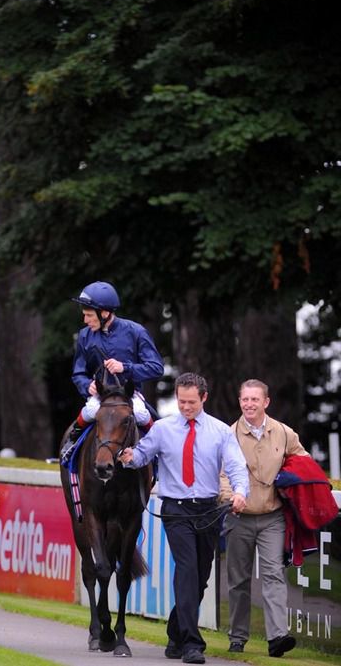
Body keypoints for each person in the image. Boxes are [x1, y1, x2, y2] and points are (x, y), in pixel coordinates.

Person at [119, 372, 248, 665]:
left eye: (191, 402)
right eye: (181, 402)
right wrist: (129, 458)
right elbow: (142, 455)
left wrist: (240, 492)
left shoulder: (219, 431)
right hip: (175, 509)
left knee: (200, 577)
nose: (186, 407)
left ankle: (176, 633)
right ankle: (192, 643)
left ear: (204, 398)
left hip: (208, 510)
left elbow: (237, 466)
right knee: (188, 569)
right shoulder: (163, 429)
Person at [220, 379, 307, 658]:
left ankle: (277, 637)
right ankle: (237, 637)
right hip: (238, 517)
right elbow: (221, 473)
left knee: (273, 575)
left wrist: (297, 481)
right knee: (238, 580)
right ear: (239, 401)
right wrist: (230, 496)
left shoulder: (283, 432)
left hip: (273, 517)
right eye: (245, 399)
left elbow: (301, 459)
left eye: (254, 399)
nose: (249, 404)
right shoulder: (228, 434)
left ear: (266, 402)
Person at [61, 280, 163, 461]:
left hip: (129, 394)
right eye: (84, 315)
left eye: (89, 315)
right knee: (91, 410)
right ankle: (71, 443)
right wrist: (87, 386)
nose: (85, 320)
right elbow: (78, 373)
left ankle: (160, 452)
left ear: (105, 313)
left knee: (140, 414)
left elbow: (156, 368)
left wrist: (125, 367)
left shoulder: (136, 331)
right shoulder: (85, 336)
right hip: (101, 395)